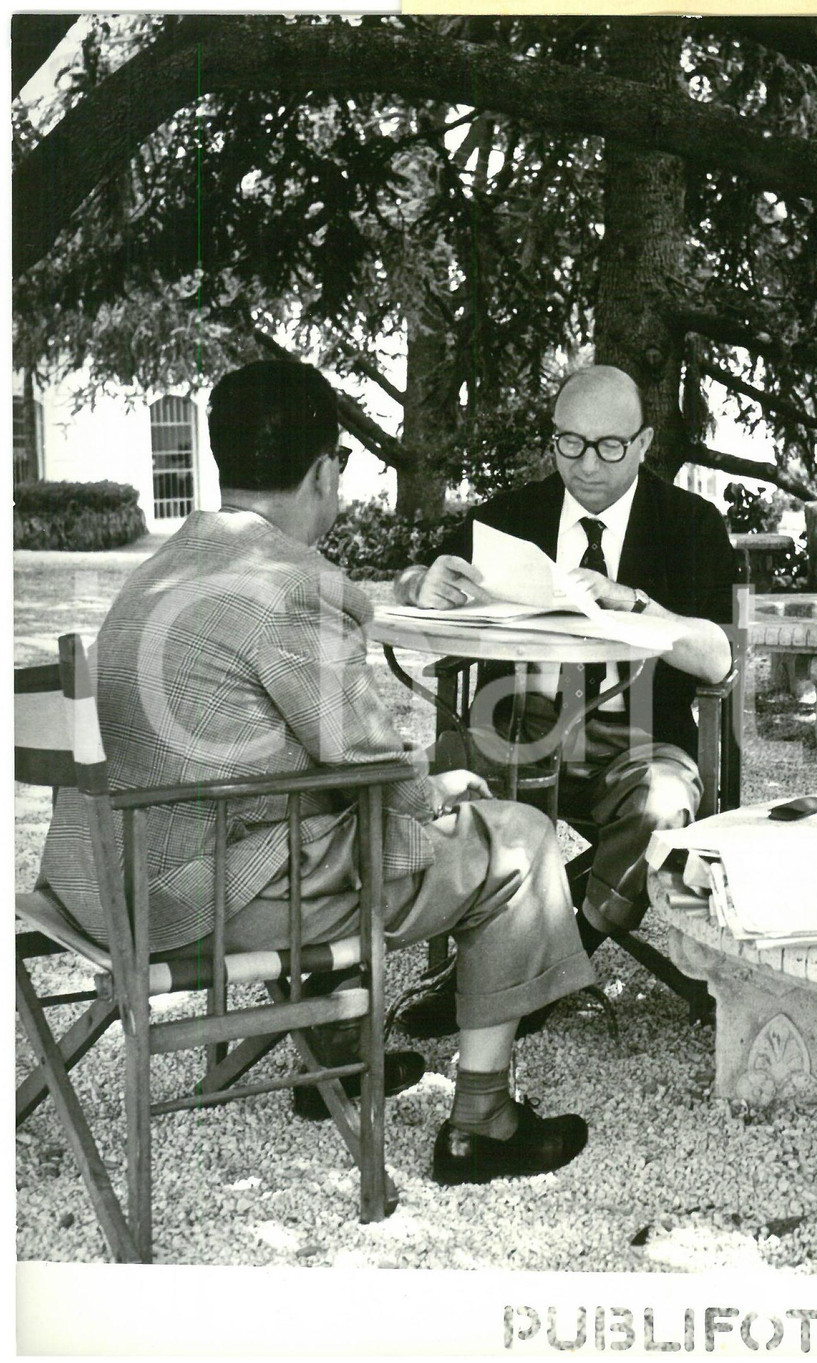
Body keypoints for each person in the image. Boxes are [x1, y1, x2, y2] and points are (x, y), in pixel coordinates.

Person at [38, 359, 596, 1186]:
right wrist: (431, 789)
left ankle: (331, 1049)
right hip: (199, 899)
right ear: (326, 469)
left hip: (102, 880)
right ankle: (483, 1119)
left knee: (319, 808)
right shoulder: (294, 587)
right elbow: (371, 763)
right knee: (520, 838)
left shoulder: (168, 564)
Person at [394, 364, 738, 1037]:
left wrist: (636, 604)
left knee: (664, 805)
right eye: (569, 443)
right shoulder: (513, 516)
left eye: (610, 445)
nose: (587, 464)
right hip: (518, 730)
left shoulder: (689, 524)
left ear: (643, 443)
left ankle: (547, 968)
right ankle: (498, 967)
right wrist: (420, 582)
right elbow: (416, 576)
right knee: (422, 783)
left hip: (640, 740)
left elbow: (719, 657)